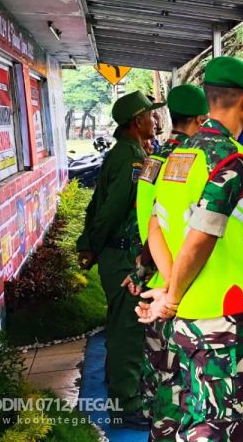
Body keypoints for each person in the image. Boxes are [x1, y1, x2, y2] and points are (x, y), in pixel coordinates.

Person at [137, 56, 243, 441]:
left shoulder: (178, 155)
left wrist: (172, 294)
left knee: (191, 409)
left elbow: (155, 224)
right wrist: (172, 296)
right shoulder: (231, 159)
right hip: (219, 312)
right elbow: (202, 235)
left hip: (186, 312)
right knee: (218, 421)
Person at [76, 90, 163, 429]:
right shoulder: (130, 159)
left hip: (120, 254)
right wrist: (92, 246)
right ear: (136, 122)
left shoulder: (130, 152)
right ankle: (125, 405)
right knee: (127, 330)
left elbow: (97, 203)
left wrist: (89, 242)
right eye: (150, 116)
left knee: (126, 327)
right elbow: (110, 210)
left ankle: (130, 395)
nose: (155, 121)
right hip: (123, 256)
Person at [133, 84, 208, 441]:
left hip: (158, 281)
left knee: (163, 374)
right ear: (201, 118)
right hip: (185, 284)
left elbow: (146, 221)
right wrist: (170, 283)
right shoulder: (200, 160)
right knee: (192, 384)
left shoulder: (155, 161)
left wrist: (145, 273)